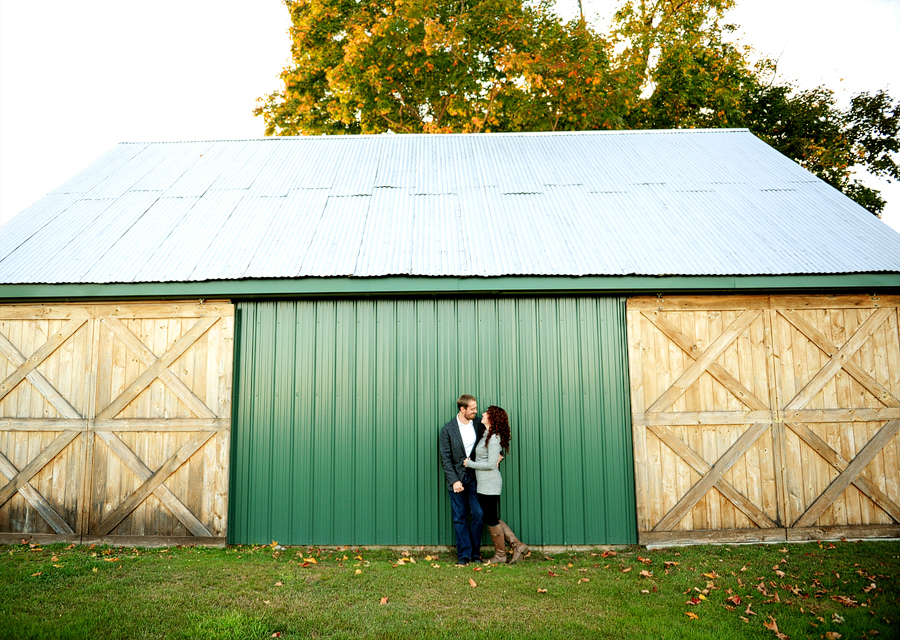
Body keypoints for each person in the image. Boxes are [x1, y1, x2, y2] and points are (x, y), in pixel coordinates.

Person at [464, 405, 529, 564]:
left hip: (490, 483)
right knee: (491, 517)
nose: (483, 414)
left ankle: (502, 554)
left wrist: (469, 464)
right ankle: (516, 545)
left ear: (492, 418)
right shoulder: (487, 434)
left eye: (486, 413)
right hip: (485, 483)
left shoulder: (493, 438)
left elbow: (490, 464)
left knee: (491, 518)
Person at [439, 394, 485, 566]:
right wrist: (454, 481)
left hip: (475, 477)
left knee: (478, 514)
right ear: (462, 409)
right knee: (460, 517)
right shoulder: (448, 429)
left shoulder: (480, 424)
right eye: (472, 408)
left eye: (476, 408)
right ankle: (464, 556)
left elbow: (492, 439)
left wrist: (500, 454)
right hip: (457, 479)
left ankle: (475, 553)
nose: (476, 411)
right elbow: (445, 457)